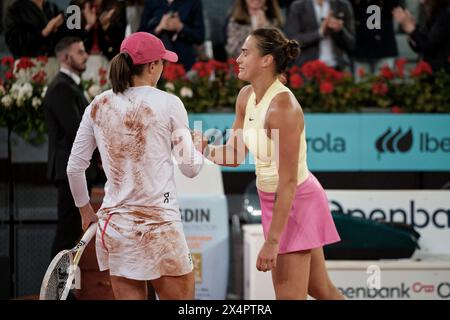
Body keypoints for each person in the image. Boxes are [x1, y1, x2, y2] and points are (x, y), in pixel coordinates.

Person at [193, 28, 343, 300]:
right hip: (277, 198)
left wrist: (272, 241)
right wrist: (204, 149)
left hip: (294, 201)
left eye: (245, 52)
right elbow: (235, 155)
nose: (238, 58)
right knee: (322, 291)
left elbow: (287, 183)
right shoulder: (245, 97)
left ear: (267, 60)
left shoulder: (283, 108)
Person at [66, 32, 204, 300]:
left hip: (117, 230)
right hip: (161, 228)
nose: (163, 68)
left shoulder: (98, 104)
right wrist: (197, 146)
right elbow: (191, 168)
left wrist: (85, 211)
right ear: (152, 66)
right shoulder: (169, 103)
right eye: (162, 62)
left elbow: (74, 168)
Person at [43, 36, 97, 257]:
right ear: (65, 57)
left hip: (74, 168)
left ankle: (64, 291)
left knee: (72, 231)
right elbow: (77, 132)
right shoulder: (61, 88)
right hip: (69, 170)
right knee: (67, 233)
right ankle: (56, 291)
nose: (86, 56)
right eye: (81, 52)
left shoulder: (69, 86)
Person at [284, 0, 355, 70]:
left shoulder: (343, 5)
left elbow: (351, 43)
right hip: (308, 69)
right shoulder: (298, 6)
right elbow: (292, 40)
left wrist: (340, 30)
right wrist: (319, 33)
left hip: (338, 68)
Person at [138, 0, 205, 71]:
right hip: (157, 65)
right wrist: (159, 28)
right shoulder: (151, 2)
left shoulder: (193, 2)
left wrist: (180, 27)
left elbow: (200, 37)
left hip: (185, 63)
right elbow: (139, 38)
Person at [393, 0, 450, 72]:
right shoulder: (434, 13)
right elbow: (419, 47)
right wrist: (411, 30)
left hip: (440, 74)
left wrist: (411, 29)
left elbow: (428, 46)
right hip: (430, 71)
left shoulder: (444, 15)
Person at [350, 0, 403, 77]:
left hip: (384, 46)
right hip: (361, 46)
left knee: (383, 86)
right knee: (361, 86)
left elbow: (395, 7)